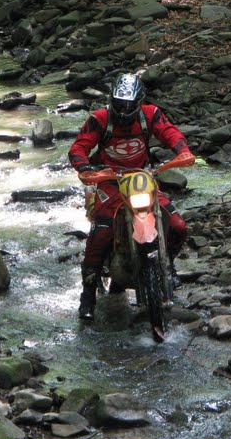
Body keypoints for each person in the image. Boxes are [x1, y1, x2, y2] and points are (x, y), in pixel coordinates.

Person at [69, 73, 194, 320]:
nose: (124, 109)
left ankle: (167, 266)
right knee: (101, 231)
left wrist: (183, 151)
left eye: (129, 104)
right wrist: (84, 167)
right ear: (111, 100)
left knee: (178, 226)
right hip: (110, 180)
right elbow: (78, 147)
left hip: (142, 177)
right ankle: (87, 295)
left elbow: (171, 133)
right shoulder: (99, 119)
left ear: (139, 102)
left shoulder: (150, 114)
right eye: (119, 103)